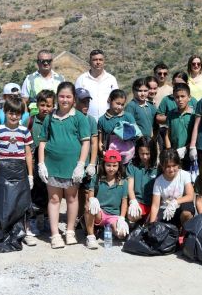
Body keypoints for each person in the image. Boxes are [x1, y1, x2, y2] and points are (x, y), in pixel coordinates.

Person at [38, 82, 91, 249]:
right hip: (52, 165)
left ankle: (69, 231)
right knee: (54, 199)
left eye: (68, 96)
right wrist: (41, 164)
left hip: (72, 166)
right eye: (61, 96)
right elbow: (42, 142)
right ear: (57, 98)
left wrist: (81, 164)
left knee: (72, 198)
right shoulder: (50, 117)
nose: (65, 99)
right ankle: (55, 234)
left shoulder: (80, 118)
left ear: (74, 98)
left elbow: (86, 142)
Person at [0, 96, 35, 250]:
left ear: (21, 114)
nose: (14, 116)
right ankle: (8, 232)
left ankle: (22, 233)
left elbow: (28, 154)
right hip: (4, 170)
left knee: (21, 202)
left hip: (21, 169)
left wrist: (31, 175)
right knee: (6, 202)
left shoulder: (24, 131)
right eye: (11, 113)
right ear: (5, 112)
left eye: (17, 113)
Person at [84, 150, 130, 249]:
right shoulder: (97, 178)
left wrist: (122, 218)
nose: (111, 168)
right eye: (108, 165)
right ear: (103, 165)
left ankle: (106, 230)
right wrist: (92, 199)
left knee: (121, 234)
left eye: (114, 165)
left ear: (119, 166)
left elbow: (124, 202)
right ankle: (91, 236)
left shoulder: (123, 181)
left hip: (114, 215)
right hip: (100, 213)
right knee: (88, 206)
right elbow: (90, 194)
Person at [149, 149, 195, 228]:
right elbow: (155, 205)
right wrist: (151, 225)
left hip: (180, 207)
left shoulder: (184, 175)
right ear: (162, 166)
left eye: (174, 166)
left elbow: (190, 196)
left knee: (187, 212)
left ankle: (184, 232)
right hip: (165, 210)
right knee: (158, 228)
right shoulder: (158, 181)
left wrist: (175, 202)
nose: (171, 169)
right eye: (168, 167)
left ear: (178, 164)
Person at [30, 90, 56, 225]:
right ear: (37, 105)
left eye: (49, 106)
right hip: (34, 162)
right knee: (35, 190)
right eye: (42, 105)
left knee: (50, 192)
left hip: (51, 161)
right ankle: (34, 219)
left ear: (53, 106)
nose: (45, 108)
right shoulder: (30, 120)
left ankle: (47, 218)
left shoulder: (55, 121)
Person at [74, 88, 99, 219]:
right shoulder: (70, 118)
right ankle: (76, 218)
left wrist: (92, 163)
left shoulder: (91, 120)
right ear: (75, 101)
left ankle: (84, 218)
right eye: (82, 102)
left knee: (87, 191)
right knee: (73, 193)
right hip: (73, 162)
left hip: (87, 162)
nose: (86, 105)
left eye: (88, 102)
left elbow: (94, 142)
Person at [74, 49, 119, 120]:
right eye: (95, 60)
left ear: (104, 61)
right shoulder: (81, 79)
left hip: (108, 121)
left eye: (100, 59)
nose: (98, 62)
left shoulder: (111, 79)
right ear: (90, 62)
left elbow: (117, 99)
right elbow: (76, 101)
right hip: (87, 121)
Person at [97, 89, 139, 164]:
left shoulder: (128, 116)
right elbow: (100, 141)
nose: (120, 107)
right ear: (109, 100)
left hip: (128, 156)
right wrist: (103, 153)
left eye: (122, 104)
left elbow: (137, 134)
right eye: (117, 103)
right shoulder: (102, 120)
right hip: (111, 158)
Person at [21, 49, 66, 115]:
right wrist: (26, 118)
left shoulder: (61, 79)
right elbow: (24, 101)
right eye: (43, 61)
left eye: (48, 61)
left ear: (52, 61)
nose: (46, 63)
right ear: (38, 62)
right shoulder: (29, 79)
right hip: (35, 118)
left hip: (55, 118)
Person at [126, 137, 158, 224]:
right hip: (138, 202)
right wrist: (133, 201)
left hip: (153, 204)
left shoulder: (158, 167)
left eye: (147, 153)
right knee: (132, 216)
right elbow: (130, 187)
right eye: (142, 153)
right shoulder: (132, 165)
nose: (144, 156)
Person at [165, 83, 196, 169]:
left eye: (183, 96)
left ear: (189, 97)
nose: (180, 99)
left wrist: (186, 148)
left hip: (190, 154)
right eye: (177, 97)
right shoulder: (171, 114)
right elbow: (167, 134)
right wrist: (170, 151)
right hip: (175, 155)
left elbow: (197, 135)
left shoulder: (194, 114)